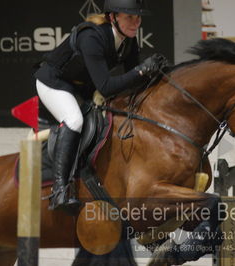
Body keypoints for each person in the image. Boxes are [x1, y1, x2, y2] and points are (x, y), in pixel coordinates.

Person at [34, 0, 167, 211]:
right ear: (113, 17)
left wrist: (155, 74)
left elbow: (134, 80)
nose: (136, 22)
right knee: (74, 120)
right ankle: (59, 192)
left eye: (138, 17)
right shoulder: (91, 37)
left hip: (81, 88)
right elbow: (106, 86)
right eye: (130, 17)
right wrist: (141, 71)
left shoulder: (128, 40)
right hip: (54, 82)